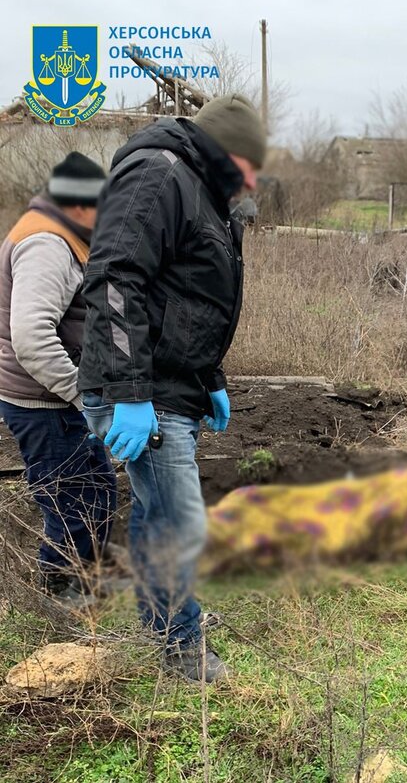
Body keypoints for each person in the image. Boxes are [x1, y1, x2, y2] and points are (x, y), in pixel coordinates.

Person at [78, 94, 265, 682]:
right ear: (226, 150)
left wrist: (211, 378)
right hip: (144, 390)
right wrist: (132, 393)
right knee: (178, 521)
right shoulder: (159, 174)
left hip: (171, 386)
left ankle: (162, 620)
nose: (253, 181)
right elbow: (114, 278)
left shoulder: (203, 192)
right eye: (250, 166)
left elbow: (189, 300)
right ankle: (181, 647)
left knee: (158, 510)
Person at [0, 152, 117, 607]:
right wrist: (81, 393)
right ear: (79, 204)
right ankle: (60, 590)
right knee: (70, 501)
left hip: (59, 397)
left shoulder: (63, 234)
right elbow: (31, 336)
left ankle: (87, 578)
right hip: (43, 401)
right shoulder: (46, 243)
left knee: (98, 488)